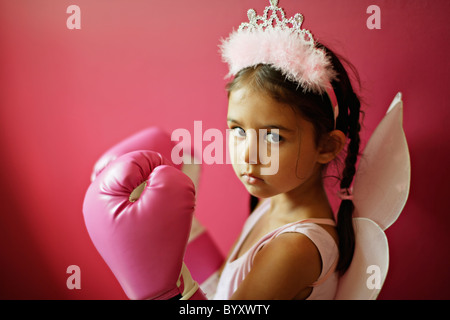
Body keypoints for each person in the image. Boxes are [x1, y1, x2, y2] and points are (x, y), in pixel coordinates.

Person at [213, 0, 363, 300]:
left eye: (273, 137)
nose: (247, 156)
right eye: (239, 131)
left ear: (327, 146)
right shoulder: (272, 202)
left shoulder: (294, 247)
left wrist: (155, 287)